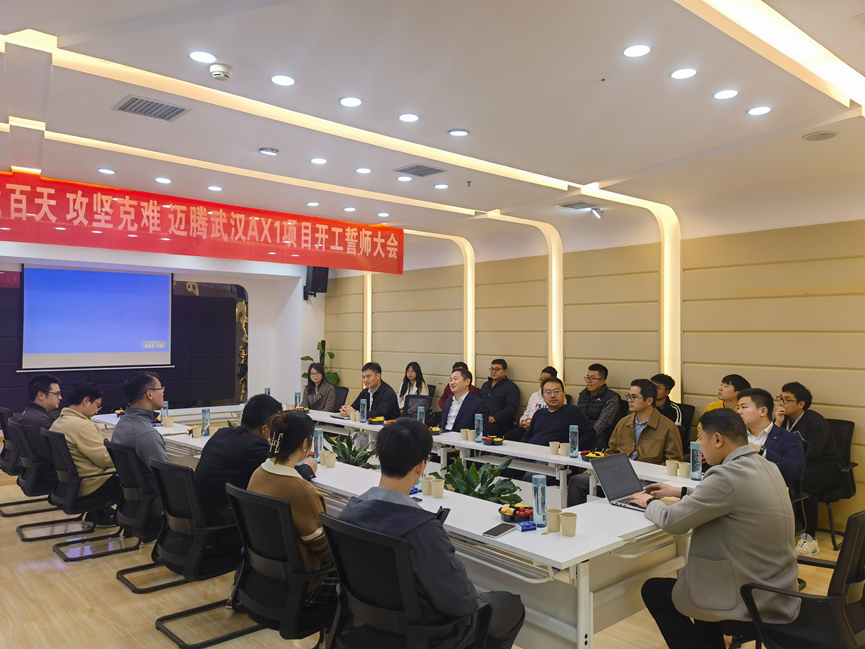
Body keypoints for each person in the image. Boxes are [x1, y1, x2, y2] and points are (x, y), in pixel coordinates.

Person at [339, 419, 525, 649]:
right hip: (427, 636)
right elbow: (461, 603)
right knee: (511, 606)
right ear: (420, 467)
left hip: (368, 627)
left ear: (380, 457)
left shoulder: (349, 512)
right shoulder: (422, 530)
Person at [630, 409, 800, 649]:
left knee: (655, 591)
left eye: (702, 439)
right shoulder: (766, 465)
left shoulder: (726, 475)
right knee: (700, 586)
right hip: (778, 587)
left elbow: (672, 521)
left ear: (718, 439)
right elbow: (732, 496)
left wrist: (649, 502)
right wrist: (680, 491)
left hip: (751, 594)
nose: (700, 446)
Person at [246, 411, 336, 606]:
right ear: (305, 444)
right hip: (302, 583)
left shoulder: (257, 473)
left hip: (264, 576)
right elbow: (326, 551)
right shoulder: (301, 490)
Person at [195, 393, 317, 526]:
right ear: (264, 428)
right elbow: (281, 473)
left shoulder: (222, 433)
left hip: (200, 512)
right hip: (222, 521)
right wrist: (308, 468)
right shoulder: (255, 446)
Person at [567, 379, 681, 506]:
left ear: (649, 400)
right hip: (618, 474)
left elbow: (674, 462)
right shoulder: (623, 422)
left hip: (647, 481)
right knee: (578, 481)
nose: (629, 401)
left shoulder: (668, 427)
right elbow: (611, 451)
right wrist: (598, 469)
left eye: (634, 397)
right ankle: (575, 517)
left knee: (626, 491)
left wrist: (648, 474)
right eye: (628, 396)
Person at [775, 382, 843, 556]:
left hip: (826, 466)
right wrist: (777, 423)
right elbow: (770, 444)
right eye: (781, 398)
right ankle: (782, 528)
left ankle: (810, 536)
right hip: (798, 463)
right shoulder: (783, 419)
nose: (781, 403)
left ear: (801, 404)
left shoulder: (815, 421)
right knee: (771, 476)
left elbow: (813, 451)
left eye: (787, 400)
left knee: (803, 481)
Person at [50, 382, 118, 527]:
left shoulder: (58, 422)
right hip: (89, 484)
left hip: (68, 485)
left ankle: (100, 514)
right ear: (86, 401)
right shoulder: (83, 426)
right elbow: (105, 459)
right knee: (135, 472)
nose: (97, 411)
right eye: (97, 405)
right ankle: (133, 520)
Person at [111, 372, 169, 508]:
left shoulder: (121, 425)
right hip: (156, 504)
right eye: (160, 388)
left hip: (134, 504)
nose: (163, 393)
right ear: (149, 394)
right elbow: (168, 478)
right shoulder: (146, 434)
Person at [737, 388, 805, 496]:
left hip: (770, 494)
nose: (739, 412)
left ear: (763, 411)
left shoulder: (788, 438)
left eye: (744, 407)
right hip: (735, 489)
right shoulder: (734, 436)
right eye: (738, 407)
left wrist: (762, 451)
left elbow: (795, 472)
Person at [521, 378, 595, 449]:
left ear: (564, 394)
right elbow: (527, 435)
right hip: (532, 452)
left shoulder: (573, 412)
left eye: (556, 391)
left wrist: (573, 450)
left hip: (555, 454)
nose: (552, 395)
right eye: (548, 392)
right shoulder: (539, 413)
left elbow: (590, 434)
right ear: (543, 396)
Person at [17, 373, 62, 483]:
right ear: (41, 395)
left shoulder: (33, 414)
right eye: (56, 394)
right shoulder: (37, 421)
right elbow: (54, 456)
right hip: (48, 476)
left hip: (37, 473)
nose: (60, 398)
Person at [503, 366, 556, 441]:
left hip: (542, 431)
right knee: (507, 437)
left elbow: (553, 420)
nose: (542, 382)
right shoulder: (534, 395)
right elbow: (527, 412)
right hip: (527, 429)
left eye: (545, 380)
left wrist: (532, 425)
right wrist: (522, 421)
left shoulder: (556, 398)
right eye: (541, 379)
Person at [576, 364, 621, 450]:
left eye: (593, 378)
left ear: (602, 381)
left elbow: (603, 423)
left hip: (601, 436)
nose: (588, 381)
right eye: (587, 378)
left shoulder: (612, 397)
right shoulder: (583, 394)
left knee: (582, 445)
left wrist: (587, 436)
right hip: (583, 432)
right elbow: (577, 417)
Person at [479, 359, 520, 438]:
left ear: (504, 371)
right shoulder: (485, 385)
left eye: (497, 369)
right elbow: (479, 402)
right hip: (483, 419)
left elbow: (512, 408)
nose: (493, 372)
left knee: (486, 429)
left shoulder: (511, 387)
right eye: (492, 369)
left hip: (500, 423)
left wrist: (496, 417)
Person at [439, 368, 488, 432]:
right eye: (451, 380)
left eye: (455, 379)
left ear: (467, 381)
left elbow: (481, 431)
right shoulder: (448, 401)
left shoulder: (477, 404)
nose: (451, 383)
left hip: (462, 437)